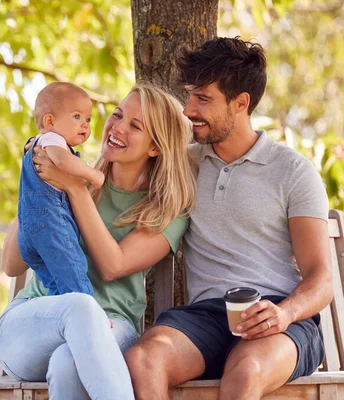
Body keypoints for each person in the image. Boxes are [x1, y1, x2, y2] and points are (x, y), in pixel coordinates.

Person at [125, 37, 332, 400]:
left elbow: (321, 279)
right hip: (205, 318)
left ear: (241, 103)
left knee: (245, 372)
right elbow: (119, 181)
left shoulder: (292, 171)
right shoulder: (183, 164)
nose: (188, 109)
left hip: (281, 320)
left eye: (203, 98)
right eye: (189, 95)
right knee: (145, 358)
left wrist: (283, 314)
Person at [0, 82, 197, 400]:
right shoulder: (66, 169)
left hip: (112, 326)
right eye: (117, 115)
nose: (116, 128)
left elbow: (113, 265)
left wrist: (75, 190)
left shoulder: (166, 210)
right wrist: (36, 186)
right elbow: (10, 264)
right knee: (77, 307)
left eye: (135, 126)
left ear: (155, 147)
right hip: (31, 323)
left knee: (67, 361)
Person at [18, 82, 104, 296]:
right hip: (51, 226)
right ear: (50, 120)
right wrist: (92, 174)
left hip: (29, 232)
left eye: (88, 119)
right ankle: (88, 313)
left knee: (57, 284)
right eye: (77, 117)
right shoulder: (52, 140)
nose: (84, 125)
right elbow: (64, 161)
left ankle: (63, 310)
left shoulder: (36, 144)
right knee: (74, 271)